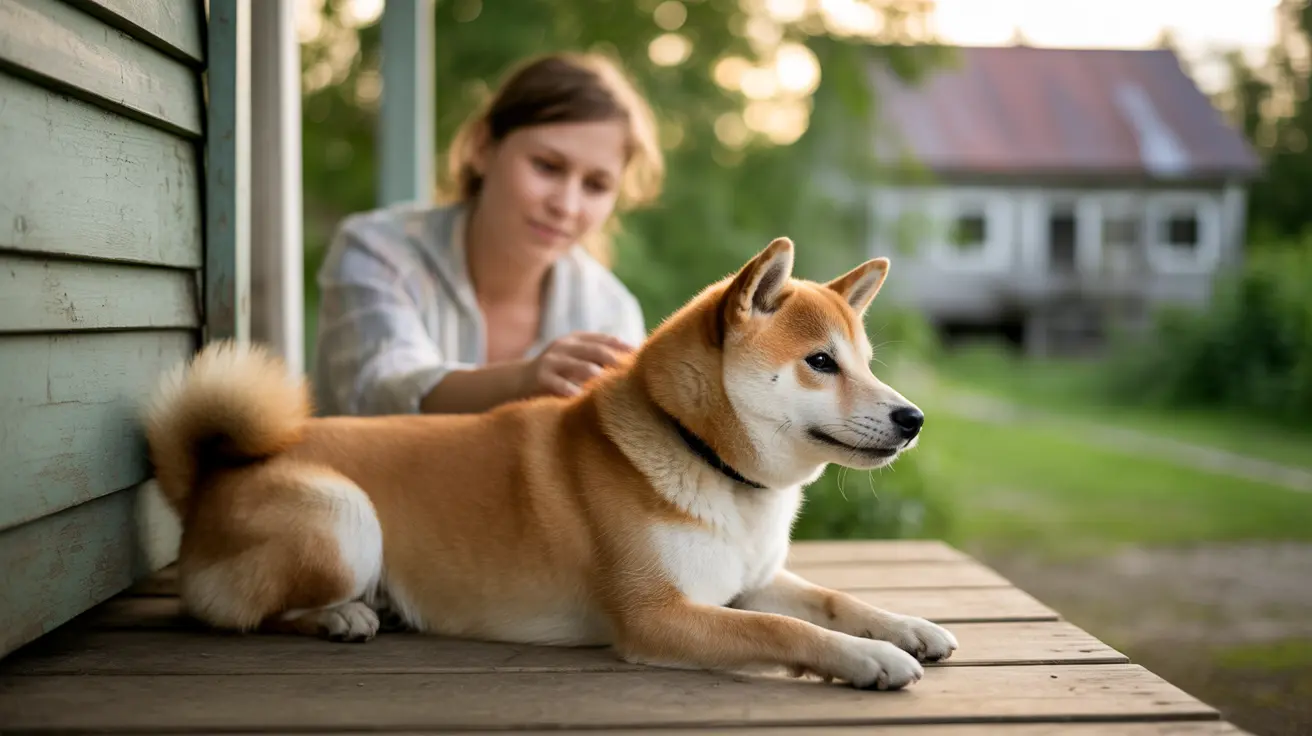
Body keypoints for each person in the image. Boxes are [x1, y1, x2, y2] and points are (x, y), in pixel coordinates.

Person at [312, 52, 665, 417]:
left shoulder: (609, 310)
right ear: (481, 147)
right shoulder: (376, 249)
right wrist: (521, 382)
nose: (567, 205)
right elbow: (381, 391)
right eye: (547, 166)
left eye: (595, 185)